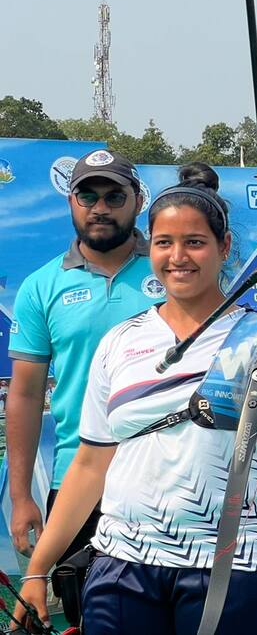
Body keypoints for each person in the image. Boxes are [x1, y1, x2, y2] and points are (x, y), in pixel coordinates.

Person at [15, 163, 257, 634]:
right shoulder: (120, 341)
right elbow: (90, 464)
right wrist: (38, 569)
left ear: (223, 248)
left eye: (195, 242)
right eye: (164, 243)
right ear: (151, 249)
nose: (178, 256)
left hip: (233, 560)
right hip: (123, 561)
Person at [8, 149, 157, 560]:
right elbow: (24, 395)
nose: (100, 208)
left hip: (171, 473)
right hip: (78, 481)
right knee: (90, 621)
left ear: (138, 201)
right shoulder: (40, 286)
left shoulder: (175, 271)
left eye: (114, 196)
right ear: (71, 201)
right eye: (87, 196)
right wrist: (21, 497)